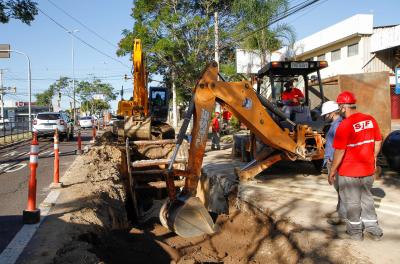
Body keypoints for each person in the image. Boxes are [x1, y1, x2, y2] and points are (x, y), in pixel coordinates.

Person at [329, 91, 383, 241]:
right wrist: (373, 157)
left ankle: (355, 232)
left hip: (349, 171)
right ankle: (373, 229)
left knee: (352, 202)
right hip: (367, 169)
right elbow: (378, 141)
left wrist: (332, 171)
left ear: (343, 107)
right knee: (367, 198)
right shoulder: (370, 120)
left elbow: (339, 151)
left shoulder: (344, 125)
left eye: (339, 107)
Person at [321, 101, 345, 225]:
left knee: (341, 189)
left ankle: (343, 216)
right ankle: (341, 212)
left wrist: (332, 165)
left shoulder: (338, 126)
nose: (325, 116)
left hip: (335, 161)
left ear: (332, 113)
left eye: (326, 114)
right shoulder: (335, 124)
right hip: (333, 160)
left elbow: (339, 148)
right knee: (340, 190)